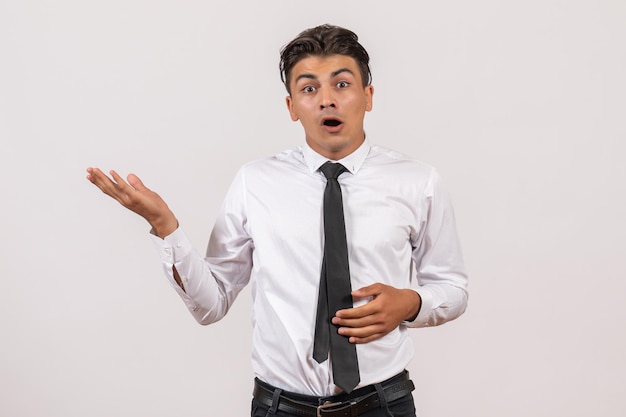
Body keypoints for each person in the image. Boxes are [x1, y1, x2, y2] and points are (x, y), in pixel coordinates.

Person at [87, 24, 468, 417]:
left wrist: (411, 302)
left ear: (368, 97)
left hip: (383, 405)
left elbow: (453, 288)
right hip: (280, 409)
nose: (326, 101)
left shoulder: (418, 181)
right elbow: (210, 304)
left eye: (341, 84)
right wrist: (164, 226)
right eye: (308, 88)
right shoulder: (255, 182)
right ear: (291, 107)